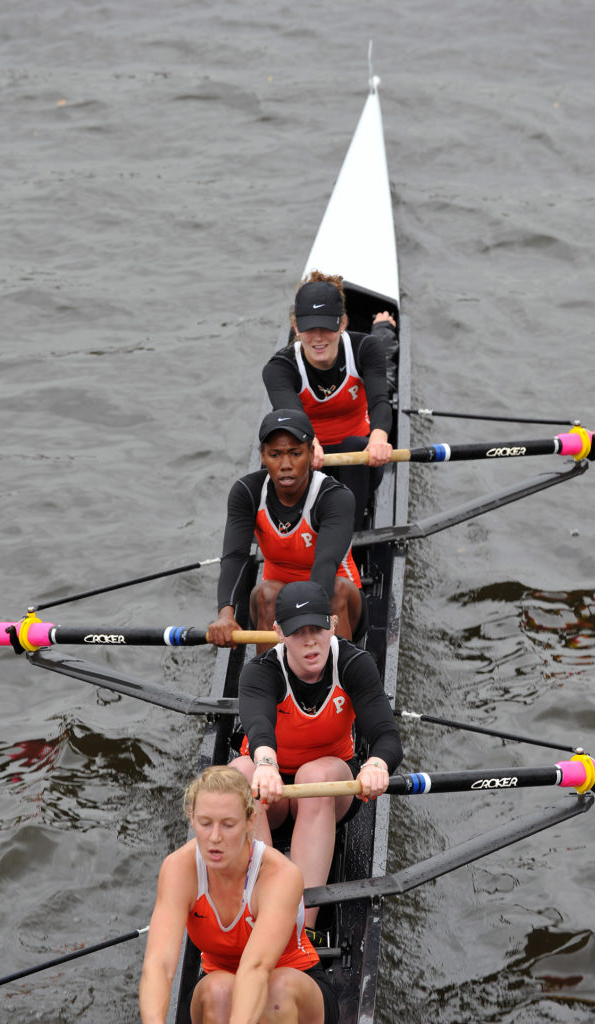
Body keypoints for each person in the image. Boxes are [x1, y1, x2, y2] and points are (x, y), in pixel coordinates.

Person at [230, 580, 403, 931]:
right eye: (298, 632)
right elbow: (259, 724)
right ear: (278, 633)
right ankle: (265, 914)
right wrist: (265, 763)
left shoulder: (355, 663)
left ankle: (299, 929)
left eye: (318, 628)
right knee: (238, 773)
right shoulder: (259, 672)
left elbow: (386, 736)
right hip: (271, 790)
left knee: (315, 775)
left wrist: (376, 764)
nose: (310, 641)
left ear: (333, 625)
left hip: (326, 788)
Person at [139, 765, 338, 1024]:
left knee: (276, 992)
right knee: (218, 991)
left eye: (228, 825)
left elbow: (256, 968)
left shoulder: (279, 874)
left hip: (292, 980)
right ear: (192, 817)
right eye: (205, 823)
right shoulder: (178, 869)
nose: (214, 837)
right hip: (220, 985)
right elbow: (159, 964)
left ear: (250, 821)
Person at [207, 408, 364, 651]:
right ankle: (271, 680)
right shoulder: (246, 492)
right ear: (263, 456)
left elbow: (325, 562)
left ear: (311, 453)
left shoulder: (335, 497)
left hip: (334, 603)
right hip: (278, 604)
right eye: (275, 455)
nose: (285, 465)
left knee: (337, 590)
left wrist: (305, 623)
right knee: (266, 593)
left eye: (295, 453)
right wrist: (226, 614)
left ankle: (340, 679)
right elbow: (235, 557)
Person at [261, 272, 397, 529]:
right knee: (286, 455)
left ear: (343, 322)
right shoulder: (279, 368)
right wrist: (310, 443)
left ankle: (349, 537)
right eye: (310, 328)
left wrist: (379, 438)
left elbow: (380, 401)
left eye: (327, 326)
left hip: (360, 461)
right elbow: (291, 413)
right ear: (296, 327)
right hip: (309, 456)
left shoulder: (365, 349)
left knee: (354, 445)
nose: (319, 337)